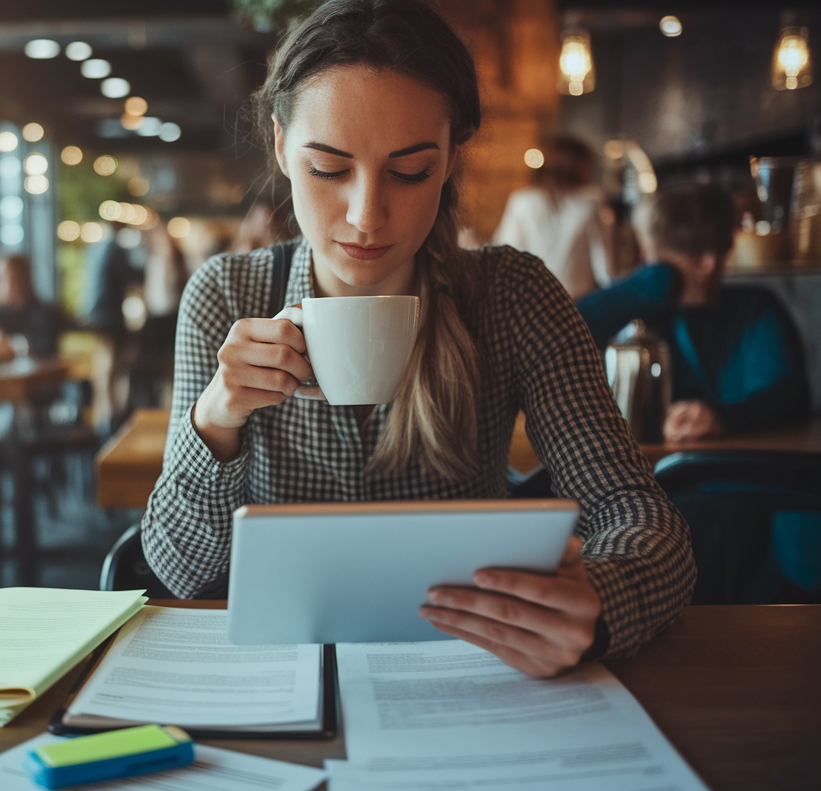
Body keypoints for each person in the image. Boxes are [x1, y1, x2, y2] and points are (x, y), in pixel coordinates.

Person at [141, 0, 694, 678]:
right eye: (329, 168)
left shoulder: (511, 297)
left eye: (409, 171)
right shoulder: (227, 294)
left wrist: (601, 603)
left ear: (452, 159)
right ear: (283, 147)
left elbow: (643, 517)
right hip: (276, 680)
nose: (367, 216)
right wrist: (215, 421)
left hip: (466, 676)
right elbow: (176, 570)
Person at [577, 184, 810, 442]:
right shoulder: (648, 312)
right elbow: (563, 333)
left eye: (655, 260)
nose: (645, 267)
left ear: (705, 262)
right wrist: (649, 285)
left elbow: (788, 398)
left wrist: (721, 418)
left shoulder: (756, 309)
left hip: (743, 466)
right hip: (661, 467)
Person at [492, 135, 614, 298]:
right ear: (583, 165)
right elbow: (605, 270)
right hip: (578, 306)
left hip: (533, 303)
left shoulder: (522, 200)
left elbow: (505, 256)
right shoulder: (592, 203)